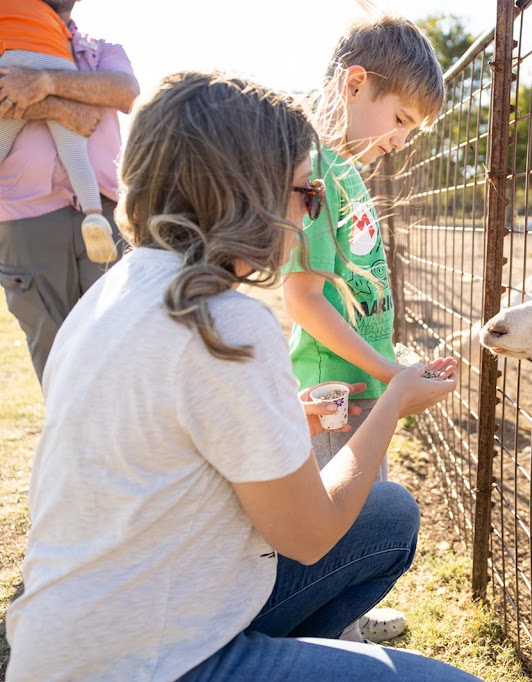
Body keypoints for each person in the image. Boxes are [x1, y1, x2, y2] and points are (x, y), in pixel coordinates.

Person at [5, 70, 476, 682]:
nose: (306, 214)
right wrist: (394, 400)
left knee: (387, 514)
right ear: (247, 191)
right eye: (304, 195)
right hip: (146, 662)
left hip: (65, 644)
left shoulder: (112, 293)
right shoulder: (224, 321)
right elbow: (310, 535)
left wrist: (284, 413)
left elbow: (174, 438)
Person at [281, 11, 446, 643]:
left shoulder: (348, 171)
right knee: (335, 510)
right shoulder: (316, 172)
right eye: (401, 119)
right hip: (334, 395)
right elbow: (303, 299)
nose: (402, 140)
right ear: (355, 86)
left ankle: (347, 611)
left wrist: (389, 357)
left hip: (365, 384)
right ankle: (333, 637)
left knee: (365, 497)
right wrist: (390, 372)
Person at [0, 0, 138, 382]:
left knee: (118, 337)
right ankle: (71, 437)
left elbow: (125, 91)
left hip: (107, 212)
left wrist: (44, 84)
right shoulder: (9, 32)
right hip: (26, 218)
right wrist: (64, 110)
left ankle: (120, 439)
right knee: (52, 344)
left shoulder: (101, 48)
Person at [0, 0, 117, 265]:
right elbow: (61, 39)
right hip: (60, 60)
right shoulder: (47, 16)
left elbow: (126, 90)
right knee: (76, 155)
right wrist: (61, 107)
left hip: (13, 62)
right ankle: (94, 216)